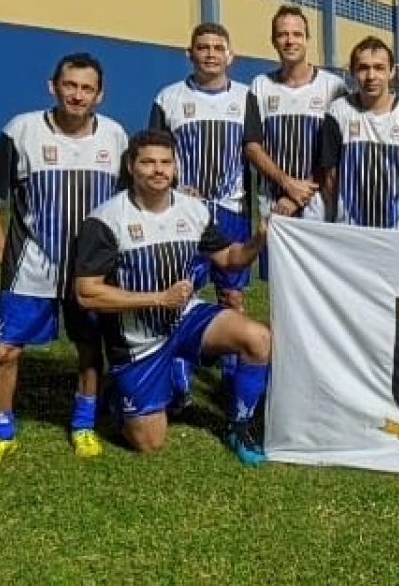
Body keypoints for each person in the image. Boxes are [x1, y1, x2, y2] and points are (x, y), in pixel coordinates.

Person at [73, 129, 271, 465]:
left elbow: (229, 258)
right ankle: (121, 393)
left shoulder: (194, 210)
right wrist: (159, 299)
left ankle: (240, 425)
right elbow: (87, 293)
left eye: (165, 162)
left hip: (184, 317)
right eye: (148, 162)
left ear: (176, 167)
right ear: (130, 166)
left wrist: (258, 239)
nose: (158, 170)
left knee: (258, 338)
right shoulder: (105, 220)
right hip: (138, 339)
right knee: (149, 442)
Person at [0, 53, 128, 474]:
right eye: (70, 86)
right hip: (32, 266)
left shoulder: (114, 137)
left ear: (100, 94)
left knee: (88, 349)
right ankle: (0, 435)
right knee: (4, 353)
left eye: (87, 88)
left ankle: (82, 425)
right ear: (53, 86)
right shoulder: (22, 130)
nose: (77, 95)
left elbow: (129, 201)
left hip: (90, 271)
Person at [149, 23, 257, 419]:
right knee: (180, 293)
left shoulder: (247, 98)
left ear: (231, 56)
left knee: (232, 295)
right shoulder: (169, 98)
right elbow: (155, 151)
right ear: (189, 53)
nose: (210, 54)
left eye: (218, 47)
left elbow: (255, 151)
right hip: (183, 214)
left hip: (232, 211)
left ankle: (232, 373)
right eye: (203, 47)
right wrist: (177, 185)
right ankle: (177, 375)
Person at [244, 6, 347, 275]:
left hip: (320, 207)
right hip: (274, 205)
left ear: (307, 39)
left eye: (297, 34)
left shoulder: (333, 87)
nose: (290, 41)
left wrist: (301, 195)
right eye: (282, 35)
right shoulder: (260, 85)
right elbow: (253, 145)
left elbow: (337, 152)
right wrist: (287, 184)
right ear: (273, 41)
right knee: (280, 289)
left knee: (321, 283)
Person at [318, 36, 399, 229]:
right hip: (352, 231)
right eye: (363, 68)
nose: (371, 76)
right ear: (353, 72)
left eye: (379, 68)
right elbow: (330, 177)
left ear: (392, 71)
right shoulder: (338, 112)